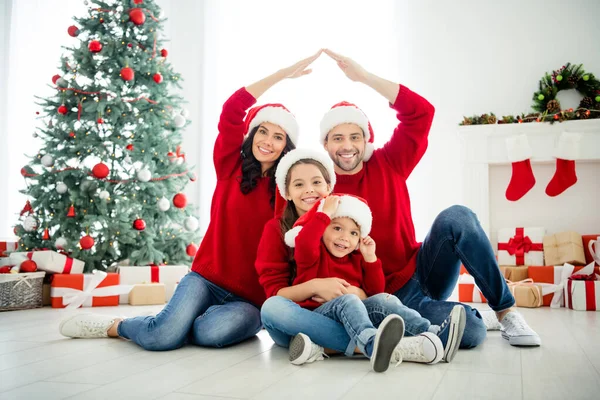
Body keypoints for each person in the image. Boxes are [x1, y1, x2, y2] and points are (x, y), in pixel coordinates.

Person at [260, 49, 541, 356]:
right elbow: (290, 238)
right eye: (337, 138)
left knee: (458, 217)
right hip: (379, 294)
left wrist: (365, 78)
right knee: (471, 333)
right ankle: (467, 318)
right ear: (325, 144)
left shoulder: (389, 162)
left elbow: (422, 113)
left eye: (355, 136)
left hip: (420, 270)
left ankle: (506, 312)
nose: (347, 146)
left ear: (367, 140)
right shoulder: (317, 189)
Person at [57, 52, 322, 349]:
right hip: (206, 279)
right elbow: (232, 110)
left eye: (278, 137)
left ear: (287, 146)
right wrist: (282, 73)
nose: (268, 142)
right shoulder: (229, 166)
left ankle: (173, 321)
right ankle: (119, 325)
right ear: (252, 133)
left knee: (210, 335)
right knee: (161, 337)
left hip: (251, 298)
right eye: (263, 131)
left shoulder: (288, 190)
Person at [256, 149, 465, 367]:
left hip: (351, 314)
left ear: (329, 188)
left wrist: (368, 267)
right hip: (300, 319)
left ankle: (429, 333)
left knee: (387, 300)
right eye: (298, 184)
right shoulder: (293, 234)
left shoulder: (341, 235)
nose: (309, 189)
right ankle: (376, 345)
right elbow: (283, 281)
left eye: (317, 182)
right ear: (286, 191)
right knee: (271, 308)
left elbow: (374, 291)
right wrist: (317, 286)